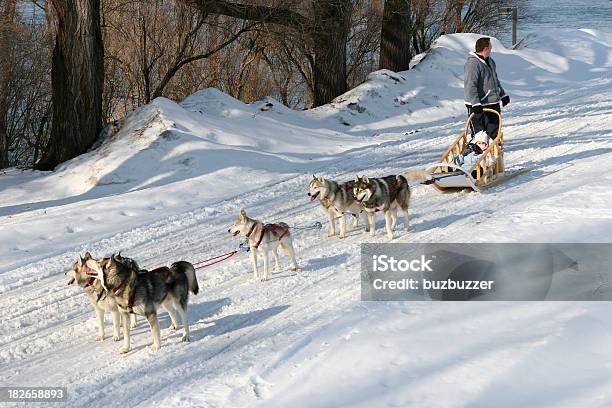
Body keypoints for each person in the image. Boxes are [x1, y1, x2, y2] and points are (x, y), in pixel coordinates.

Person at [464, 37, 510, 139]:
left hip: (493, 103)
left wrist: (502, 94)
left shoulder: (491, 62)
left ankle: (494, 153)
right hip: (478, 106)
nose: (491, 49)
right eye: (490, 47)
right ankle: (478, 154)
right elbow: (470, 85)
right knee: (480, 136)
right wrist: (475, 104)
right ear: (485, 49)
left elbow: (495, 80)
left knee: (493, 134)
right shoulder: (473, 64)